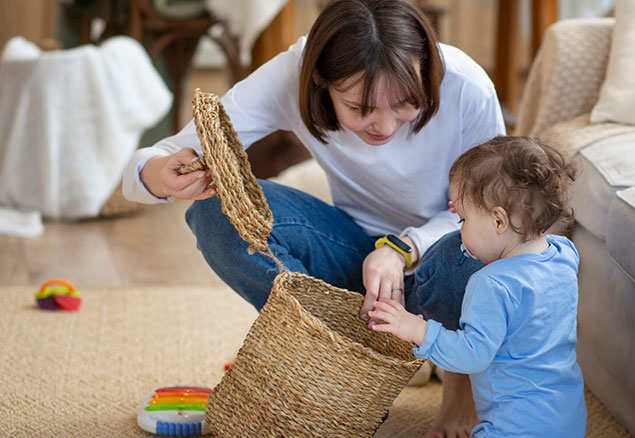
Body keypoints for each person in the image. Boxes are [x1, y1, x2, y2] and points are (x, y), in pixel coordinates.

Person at [120, 1, 505, 436]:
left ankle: (457, 381)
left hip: (445, 266)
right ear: (321, 78)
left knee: (477, 245)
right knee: (215, 212)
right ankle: (347, 355)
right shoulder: (293, 74)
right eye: (360, 108)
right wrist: (158, 174)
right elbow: (152, 162)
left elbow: (494, 214)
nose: (384, 125)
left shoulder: (466, 86)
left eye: (406, 103)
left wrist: (402, 248)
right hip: (353, 263)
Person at [369, 136, 586, 438]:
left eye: (462, 220)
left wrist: (417, 329)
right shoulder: (564, 255)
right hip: (567, 418)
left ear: (499, 221)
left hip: (511, 428)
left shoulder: (492, 283)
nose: (460, 231)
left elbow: (472, 355)